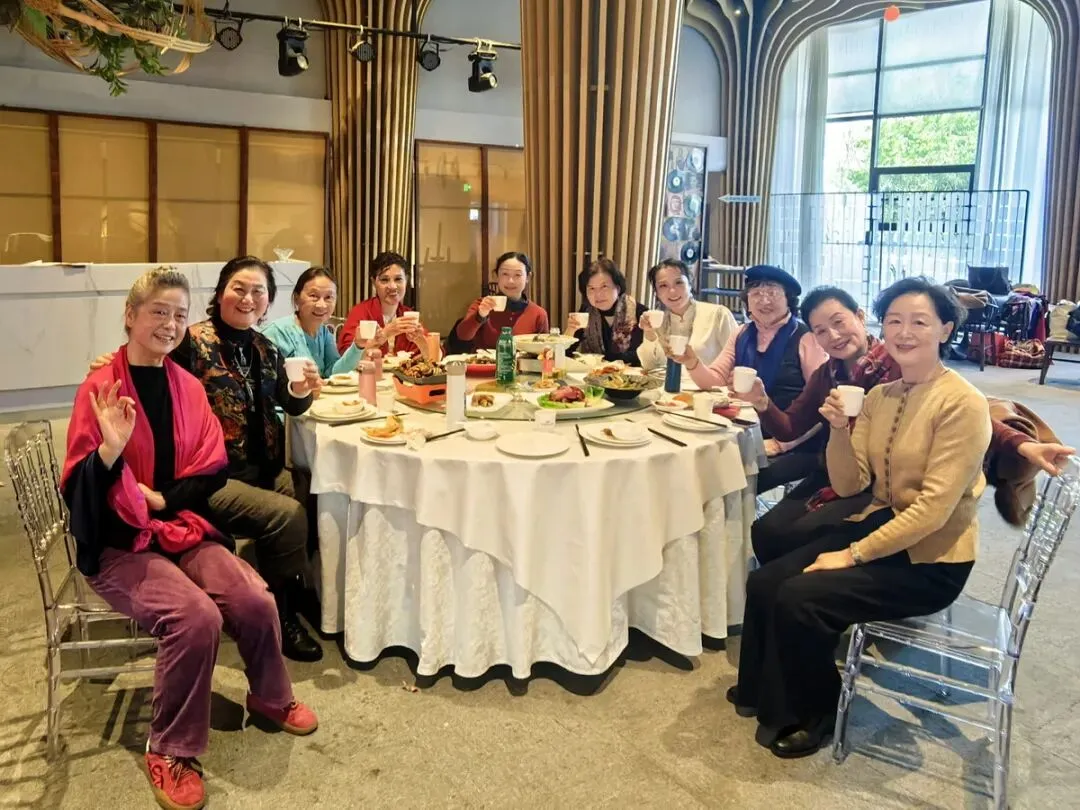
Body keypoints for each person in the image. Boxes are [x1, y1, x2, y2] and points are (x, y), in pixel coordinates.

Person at [63, 268, 317, 810]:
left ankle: (271, 695)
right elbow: (79, 495)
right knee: (195, 617)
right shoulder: (101, 389)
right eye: (158, 311)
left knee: (254, 596)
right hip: (118, 544)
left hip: (180, 527)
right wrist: (109, 452)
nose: (170, 323)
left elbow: (211, 469)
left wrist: (162, 500)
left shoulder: (187, 386)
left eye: (179, 314)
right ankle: (170, 748)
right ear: (130, 316)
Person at [729, 278, 992, 759]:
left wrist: (851, 555)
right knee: (766, 580)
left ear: (945, 329)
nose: (904, 332)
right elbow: (851, 485)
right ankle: (761, 693)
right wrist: (837, 430)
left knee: (801, 597)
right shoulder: (879, 395)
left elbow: (933, 511)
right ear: (882, 328)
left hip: (932, 559)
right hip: (880, 523)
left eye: (919, 321)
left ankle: (816, 715)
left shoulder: (963, 403)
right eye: (895, 321)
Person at [90, 257, 325, 663]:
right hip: (211, 475)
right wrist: (111, 365)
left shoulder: (265, 348)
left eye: (258, 291)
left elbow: (288, 403)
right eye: (239, 288)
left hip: (264, 467)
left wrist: (302, 391)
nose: (248, 298)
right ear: (220, 293)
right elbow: (148, 359)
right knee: (288, 516)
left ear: (268, 301)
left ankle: (289, 588)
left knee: (316, 491)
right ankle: (281, 615)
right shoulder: (191, 341)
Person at [748, 285, 1075, 564]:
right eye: (820, 330)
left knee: (790, 537)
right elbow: (791, 427)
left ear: (859, 316)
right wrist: (763, 403)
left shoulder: (900, 363)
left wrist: (1021, 443)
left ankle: (804, 591)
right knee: (766, 531)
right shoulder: (828, 374)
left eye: (839, 322)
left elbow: (967, 409)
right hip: (840, 468)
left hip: (879, 484)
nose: (833, 336)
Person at [671, 264, 829, 490]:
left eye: (773, 293)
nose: (764, 301)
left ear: (789, 299)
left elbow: (822, 404)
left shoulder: (805, 338)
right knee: (695, 463)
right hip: (747, 432)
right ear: (747, 302)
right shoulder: (742, 333)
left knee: (728, 479)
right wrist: (691, 362)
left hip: (796, 443)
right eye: (756, 294)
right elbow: (714, 379)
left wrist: (781, 444)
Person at [636, 258, 738, 382]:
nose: (672, 291)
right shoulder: (658, 321)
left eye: (679, 282)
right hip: (667, 391)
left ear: (690, 284)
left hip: (710, 390)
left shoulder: (718, 314)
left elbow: (738, 362)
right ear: (656, 293)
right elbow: (650, 367)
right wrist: (649, 333)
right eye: (663, 285)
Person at [261, 266, 363, 378]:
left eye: (328, 297)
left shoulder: (324, 332)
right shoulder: (277, 333)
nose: (321, 305)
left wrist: (358, 346)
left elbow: (334, 373)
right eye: (313, 296)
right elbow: (265, 382)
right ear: (296, 298)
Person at [337, 251, 433, 358]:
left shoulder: (408, 315)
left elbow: (436, 357)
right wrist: (385, 333)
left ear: (406, 280)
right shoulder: (360, 312)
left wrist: (421, 341)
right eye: (384, 280)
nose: (392, 286)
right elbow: (346, 357)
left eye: (398, 279)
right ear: (374, 282)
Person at [450, 251, 550, 351]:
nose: (510, 281)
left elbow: (545, 351)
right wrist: (480, 316)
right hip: (486, 361)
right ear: (496, 276)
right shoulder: (482, 305)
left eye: (517, 275)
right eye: (505, 274)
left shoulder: (538, 314)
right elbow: (462, 336)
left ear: (528, 277)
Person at [568, 258, 647, 365]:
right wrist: (570, 331)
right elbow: (565, 352)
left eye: (604, 287)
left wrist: (604, 359)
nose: (598, 295)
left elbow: (644, 356)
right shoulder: (586, 312)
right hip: (594, 374)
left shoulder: (639, 312)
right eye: (591, 288)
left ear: (618, 288)